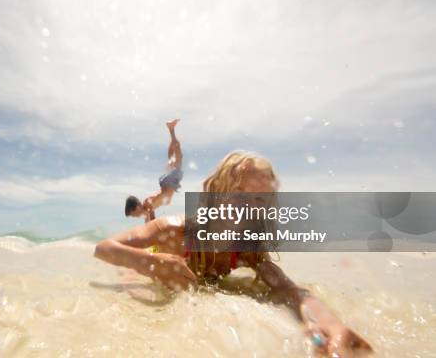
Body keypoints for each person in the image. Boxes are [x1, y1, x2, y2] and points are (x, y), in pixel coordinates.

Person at [96, 151, 373, 357]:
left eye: (260, 201)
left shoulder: (244, 250)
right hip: (154, 260)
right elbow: (105, 248)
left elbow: (291, 290)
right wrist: (152, 263)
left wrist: (329, 323)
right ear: (218, 193)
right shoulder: (176, 229)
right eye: (241, 194)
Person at [125, 119, 183, 224]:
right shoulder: (146, 208)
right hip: (168, 184)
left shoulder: (147, 204)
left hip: (168, 184)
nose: (135, 217)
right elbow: (151, 220)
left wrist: (148, 216)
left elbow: (151, 216)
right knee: (172, 158)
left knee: (178, 156)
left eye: (133, 215)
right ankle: (171, 128)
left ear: (136, 207)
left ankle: (171, 129)